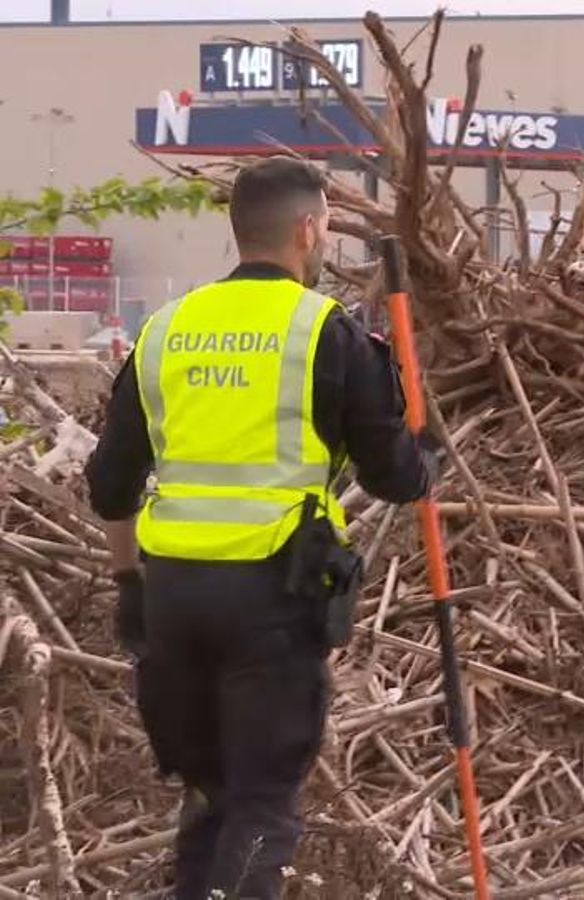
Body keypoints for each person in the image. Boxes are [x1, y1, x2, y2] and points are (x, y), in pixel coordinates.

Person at [85, 157, 432, 899]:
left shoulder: (166, 330)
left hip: (172, 600)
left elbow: (109, 484)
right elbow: (391, 477)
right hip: (271, 600)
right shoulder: (322, 333)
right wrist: (423, 453)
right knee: (262, 804)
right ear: (309, 229)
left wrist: (129, 589)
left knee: (209, 791)